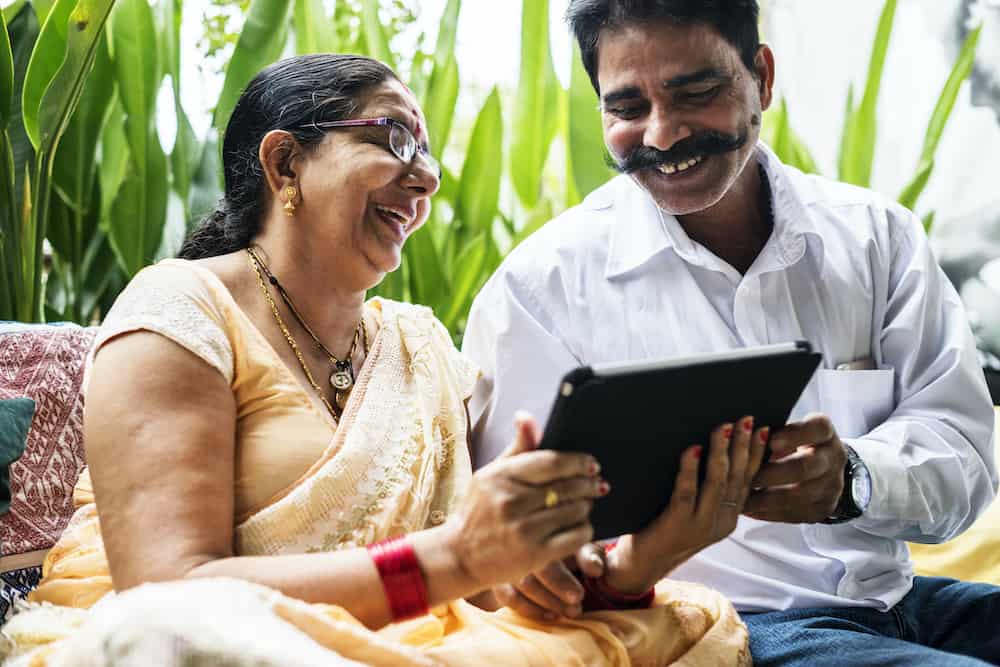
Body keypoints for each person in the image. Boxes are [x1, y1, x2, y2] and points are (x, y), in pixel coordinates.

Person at [2, 53, 755, 666]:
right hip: (193, 641)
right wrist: (456, 558)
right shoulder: (182, 308)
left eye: (425, 154)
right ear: (285, 162)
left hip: (392, 639)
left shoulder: (418, 343)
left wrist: (628, 564)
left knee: (690, 618)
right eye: (394, 139)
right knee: (169, 636)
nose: (424, 176)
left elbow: (485, 589)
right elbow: (167, 588)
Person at [462, 2, 1000, 665]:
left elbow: (967, 460)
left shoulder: (877, 240)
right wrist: (563, 560)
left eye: (697, 92)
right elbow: (516, 545)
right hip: (725, 630)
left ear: (762, 78)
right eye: (627, 108)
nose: (661, 134)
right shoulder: (540, 290)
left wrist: (852, 478)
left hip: (902, 600)